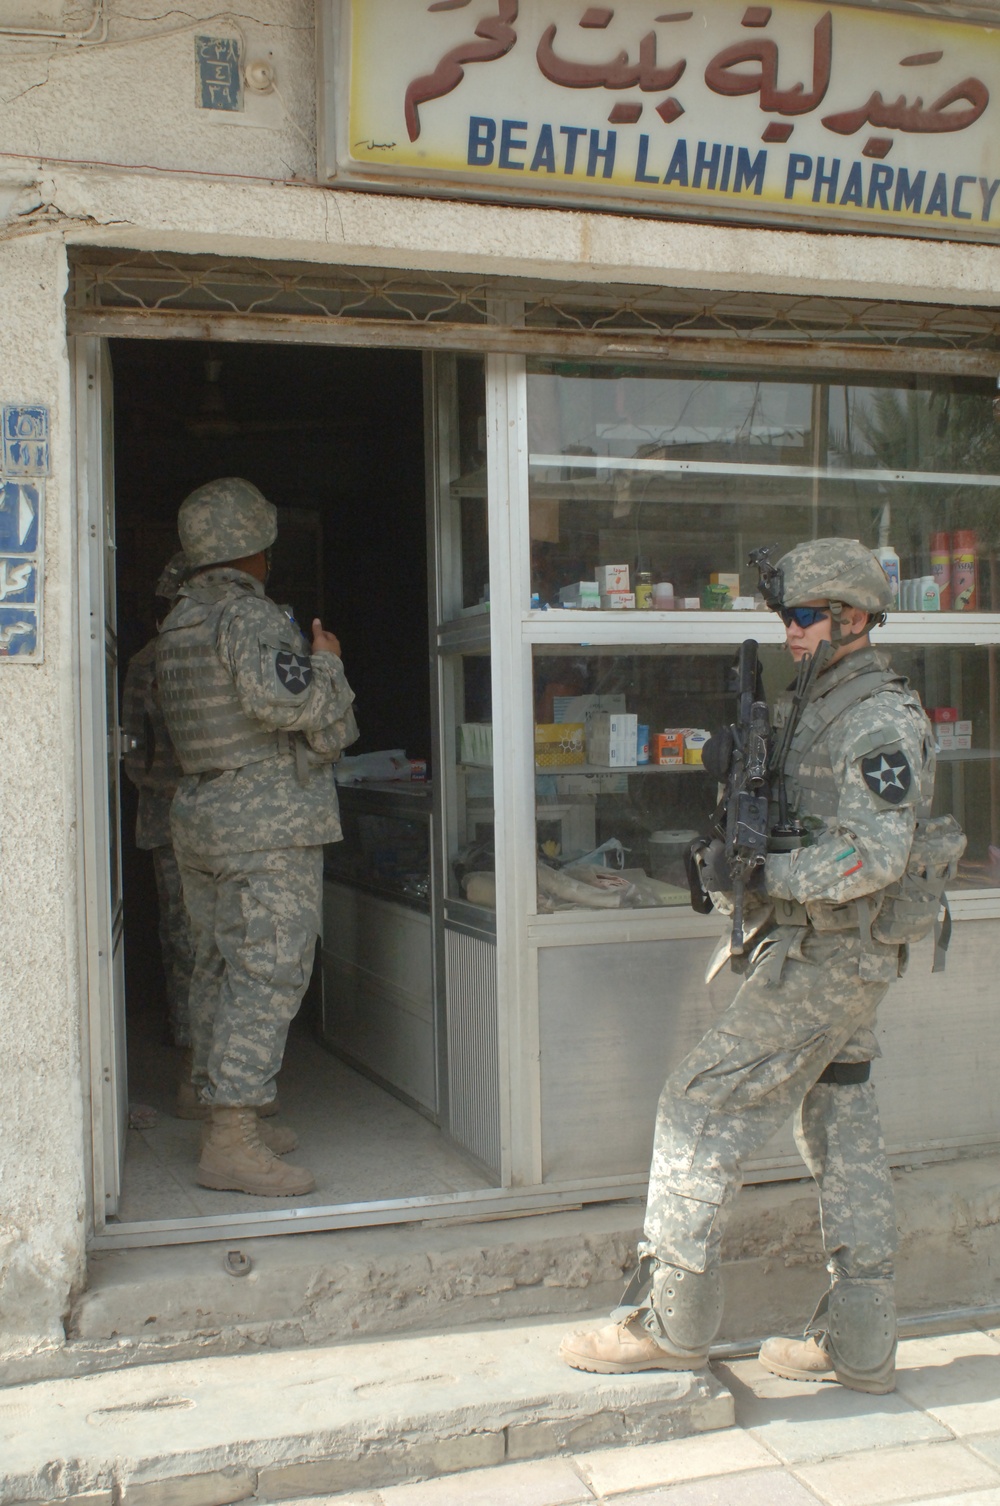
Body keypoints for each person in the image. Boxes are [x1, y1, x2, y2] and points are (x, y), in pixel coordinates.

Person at [559, 537, 935, 1396]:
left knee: (697, 1103)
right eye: (785, 617)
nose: (790, 632)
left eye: (804, 617)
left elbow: (877, 852)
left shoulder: (877, 714)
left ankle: (672, 1324)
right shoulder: (823, 697)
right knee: (841, 1120)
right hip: (825, 946)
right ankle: (861, 1342)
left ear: (852, 617)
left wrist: (766, 875)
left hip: (831, 952)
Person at [157, 477, 358, 1197]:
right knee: (267, 972)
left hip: (204, 812)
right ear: (255, 549)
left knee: (217, 965)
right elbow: (291, 701)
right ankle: (233, 1139)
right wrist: (329, 661)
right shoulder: (247, 617)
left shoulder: (179, 621)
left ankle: (214, 1103)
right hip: (262, 818)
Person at [121, 553, 195, 1068]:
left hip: (173, 812)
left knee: (184, 932)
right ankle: (194, 1049)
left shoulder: (149, 658)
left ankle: (192, 1041)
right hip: (179, 812)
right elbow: (134, 750)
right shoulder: (157, 660)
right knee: (189, 933)